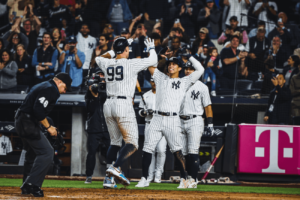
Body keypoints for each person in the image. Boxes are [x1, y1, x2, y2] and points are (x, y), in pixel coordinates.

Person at [95, 37, 157, 187]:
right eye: (127, 48)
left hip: (108, 104)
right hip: (123, 103)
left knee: (115, 142)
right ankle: (116, 168)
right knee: (133, 143)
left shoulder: (107, 62)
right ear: (126, 50)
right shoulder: (131, 63)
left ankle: (108, 179)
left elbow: (98, 57)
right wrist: (151, 48)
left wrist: (114, 49)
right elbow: (153, 59)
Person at [137, 53, 204, 188]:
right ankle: (144, 178)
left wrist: (189, 56)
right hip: (156, 117)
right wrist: (153, 51)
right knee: (147, 149)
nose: (171, 66)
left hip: (172, 119)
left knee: (177, 151)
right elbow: (151, 66)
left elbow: (200, 70)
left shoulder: (184, 81)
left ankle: (184, 179)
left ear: (180, 68)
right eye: (169, 64)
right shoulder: (161, 77)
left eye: (174, 64)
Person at [15, 73, 72, 197]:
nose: (64, 91)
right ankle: (31, 184)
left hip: (23, 120)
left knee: (32, 155)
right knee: (47, 152)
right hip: (27, 122)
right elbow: (38, 109)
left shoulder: (43, 85)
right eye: (65, 88)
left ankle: (27, 187)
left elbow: (35, 108)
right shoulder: (50, 88)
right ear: (59, 82)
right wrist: (49, 127)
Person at [179, 60, 214, 188]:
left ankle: (193, 179)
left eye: (191, 69)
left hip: (195, 119)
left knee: (193, 150)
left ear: (195, 71)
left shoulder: (202, 87)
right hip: (180, 120)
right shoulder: (180, 84)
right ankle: (184, 179)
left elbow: (208, 106)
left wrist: (210, 123)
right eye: (186, 68)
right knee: (182, 152)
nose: (188, 71)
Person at [136, 77, 167, 186]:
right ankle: (149, 176)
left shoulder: (165, 94)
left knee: (161, 150)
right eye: (153, 81)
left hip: (162, 124)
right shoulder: (146, 95)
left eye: (156, 81)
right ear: (150, 82)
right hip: (149, 124)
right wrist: (145, 112)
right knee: (150, 151)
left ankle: (158, 175)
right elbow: (139, 111)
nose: (154, 83)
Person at [84, 68, 111, 185]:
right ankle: (89, 176)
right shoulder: (91, 89)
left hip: (108, 126)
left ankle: (111, 175)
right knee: (91, 152)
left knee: (111, 152)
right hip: (94, 127)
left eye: (103, 74)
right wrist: (94, 95)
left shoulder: (110, 87)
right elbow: (89, 109)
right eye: (99, 74)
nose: (101, 76)